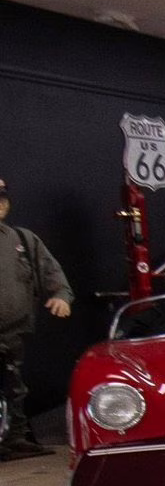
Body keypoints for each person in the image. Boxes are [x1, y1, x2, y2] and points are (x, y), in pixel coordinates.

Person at [0, 177, 74, 459]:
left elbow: (50, 272)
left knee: (14, 386)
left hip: (14, 331)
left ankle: (14, 438)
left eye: (2, 200)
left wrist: (61, 296)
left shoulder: (22, 240)